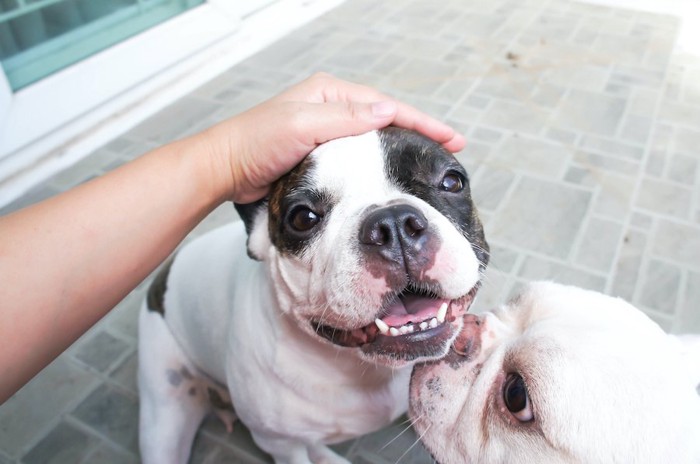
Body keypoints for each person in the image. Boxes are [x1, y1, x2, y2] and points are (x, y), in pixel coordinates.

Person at [0, 72, 465, 403]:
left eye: (446, 183)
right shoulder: (273, 391)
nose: (396, 233)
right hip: (176, 335)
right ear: (259, 235)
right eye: (307, 217)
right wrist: (225, 161)